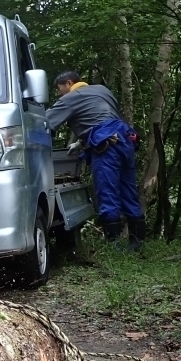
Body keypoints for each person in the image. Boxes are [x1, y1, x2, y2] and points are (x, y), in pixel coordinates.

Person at [46, 71, 145, 251]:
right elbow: (100, 118)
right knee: (128, 189)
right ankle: (137, 243)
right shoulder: (102, 90)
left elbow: (45, 122)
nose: (60, 94)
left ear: (69, 83)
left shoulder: (71, 97)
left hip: (107, 146)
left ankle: (114, 245)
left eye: (60, 89)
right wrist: (81, 143)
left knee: (107, 192)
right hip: (125, 140)